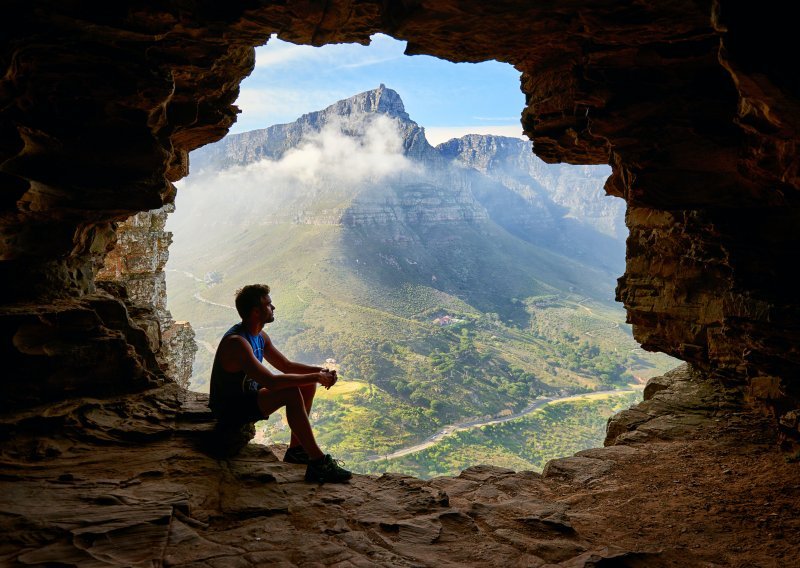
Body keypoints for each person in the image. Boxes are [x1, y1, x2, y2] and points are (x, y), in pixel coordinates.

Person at [208, 283, 352, 483]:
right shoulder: (237, 343)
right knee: (291, 392)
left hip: (247, 396)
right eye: (268, 304)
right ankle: (318, 463)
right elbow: (271, 381)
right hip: (231, 407)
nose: (273, 307)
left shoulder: (259, 336)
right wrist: (317, 377)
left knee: (306, 385)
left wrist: (319, 372)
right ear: (256, 312)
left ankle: (297, 450)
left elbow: (286, 365)